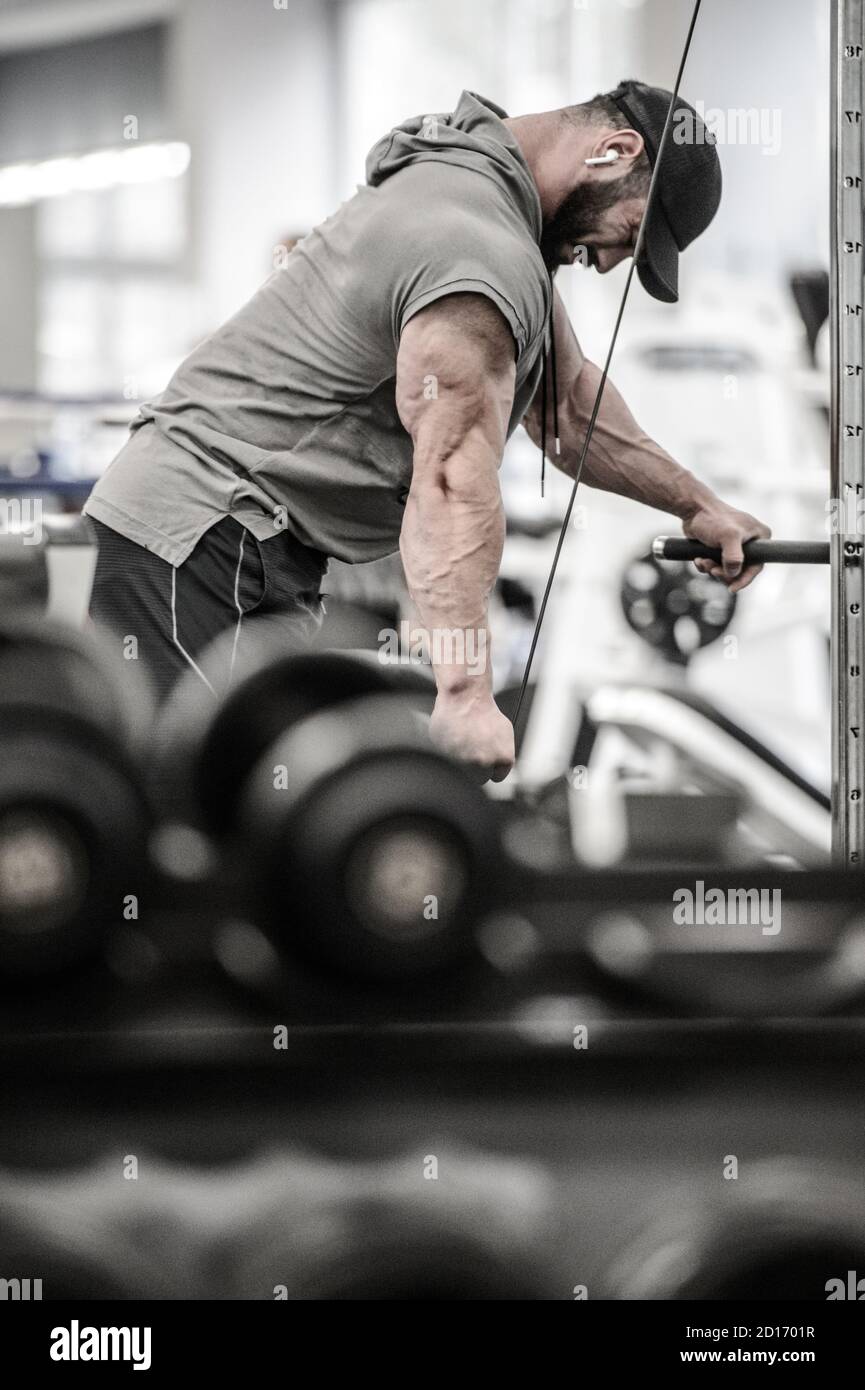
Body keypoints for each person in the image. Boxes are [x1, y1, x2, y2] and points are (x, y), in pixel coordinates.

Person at [85, 80, 770, 780]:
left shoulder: (481, 199)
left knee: (263, 801)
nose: (605, 262)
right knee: (182, 802)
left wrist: (695, 504)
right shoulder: (475, 248)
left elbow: (565, 407)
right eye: (629, 233)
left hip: (255, 544)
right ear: (614, 151)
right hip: (202, 529)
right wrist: (466, 694)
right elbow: (448, 480)